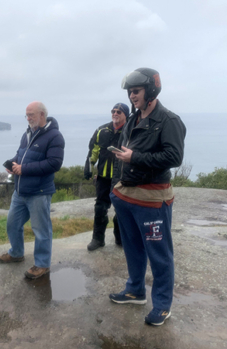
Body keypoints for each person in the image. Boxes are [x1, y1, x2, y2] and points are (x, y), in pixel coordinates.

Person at [109, 68, 186, 326]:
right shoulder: (133, 118)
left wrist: (135, 157)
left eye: (136, 91)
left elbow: (174, 158)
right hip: (128, 196)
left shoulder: (168, 120)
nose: (132, 96)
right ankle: (135, 290)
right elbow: (125, 150)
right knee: (132, 248)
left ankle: (162, 305)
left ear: (151, 90)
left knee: (159, 254)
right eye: (130, 92)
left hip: (152, 199)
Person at [0, 101, 65, 280]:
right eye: (26, 115)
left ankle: (42, 264)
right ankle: (16, 253)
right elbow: (21, 155)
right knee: (12, 224)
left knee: (41, 230)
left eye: (31, 115)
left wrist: (24, 169)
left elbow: (54, 163)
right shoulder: (27, 133)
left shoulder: (55, 136)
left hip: (39, 192)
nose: (28, 118)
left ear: (42, 114)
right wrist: (12, 163)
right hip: (20, 191)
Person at [84, 103, 130, 251]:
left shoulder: (130, 131)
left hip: (122, 178)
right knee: (100, 208)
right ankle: (97, 239)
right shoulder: (102, 130)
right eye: (113, 111)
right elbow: (94, 149)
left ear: (126, 115)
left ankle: (120, 238)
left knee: (121, 209)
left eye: (119, 112)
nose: (115, 114)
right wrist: (89, 165)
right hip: (103, 176)